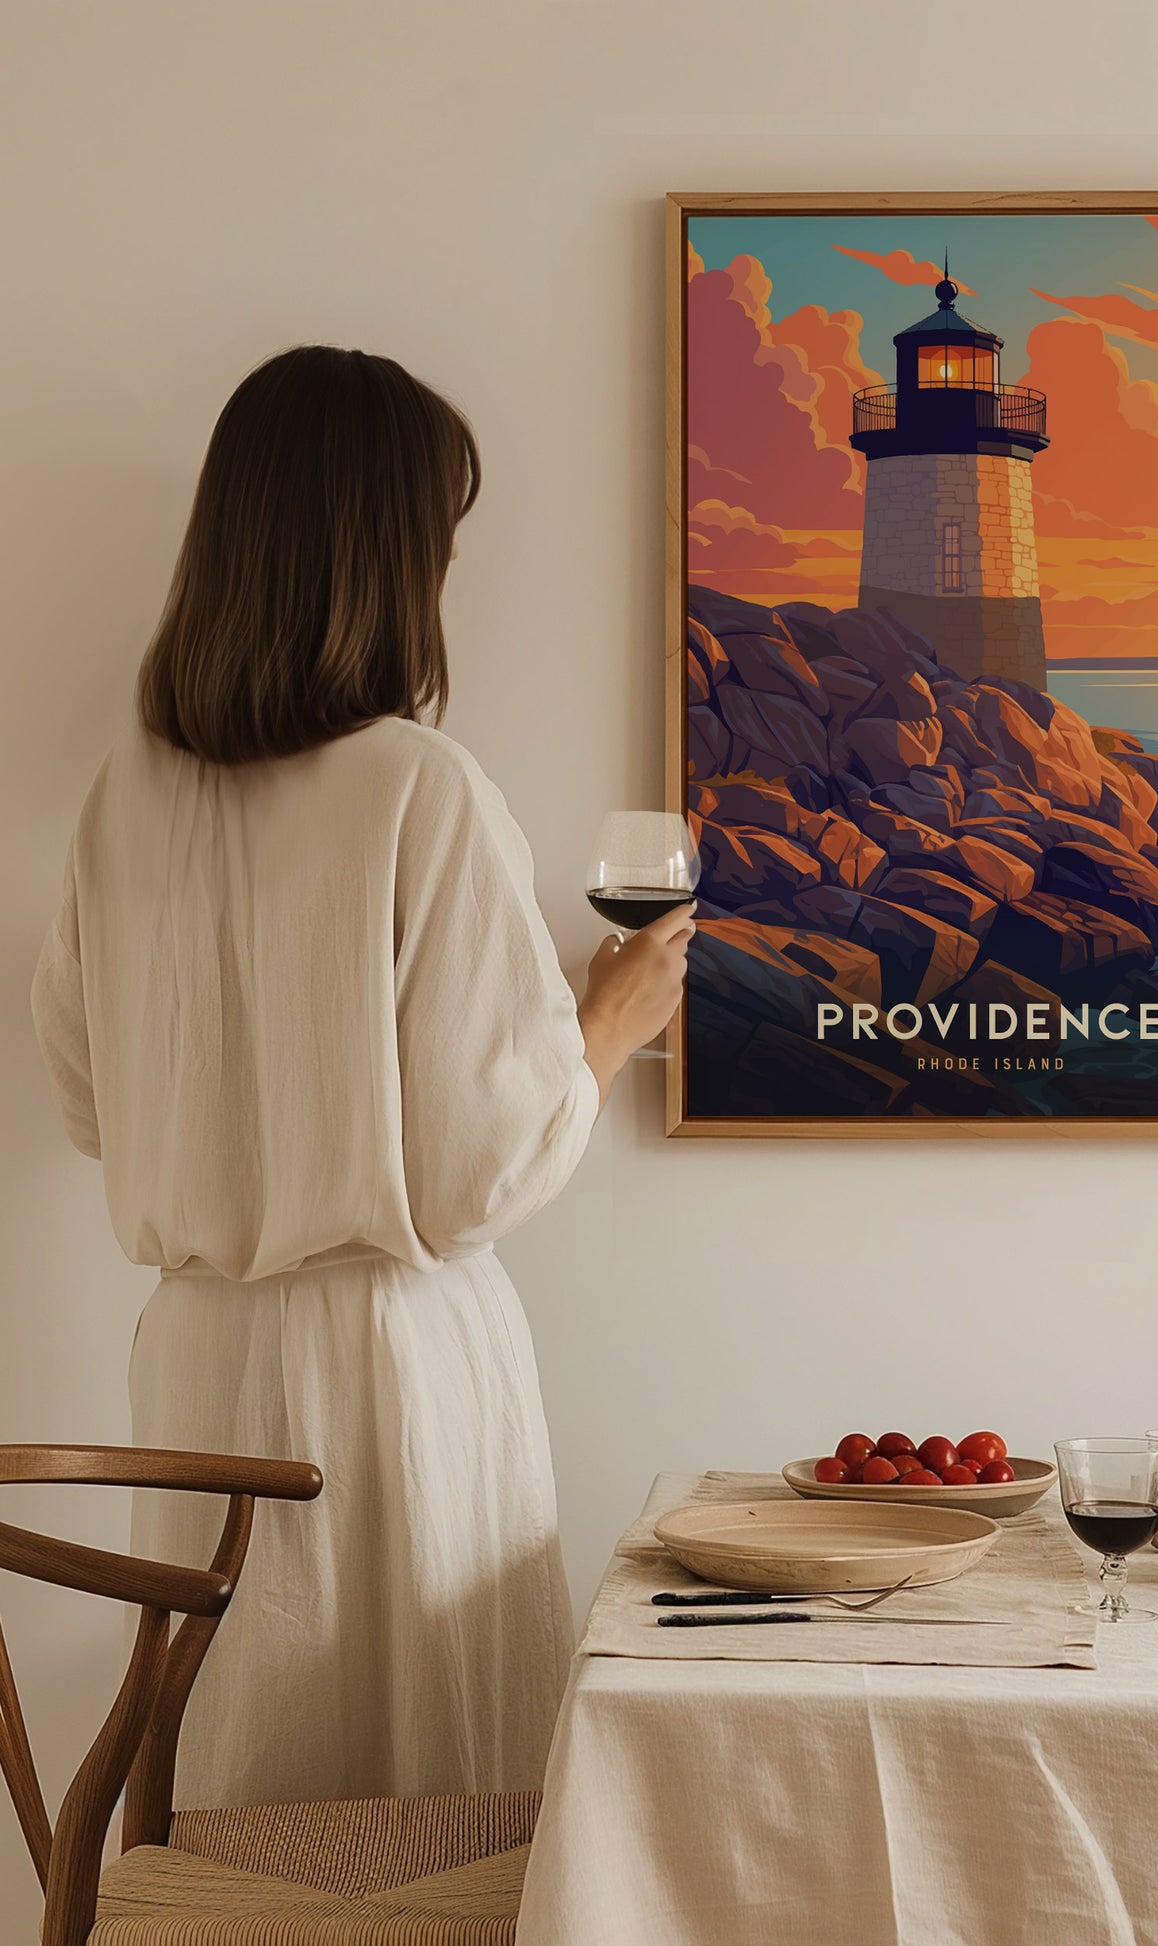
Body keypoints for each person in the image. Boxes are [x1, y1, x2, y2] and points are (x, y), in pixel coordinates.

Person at [29, 345, 690, 1806]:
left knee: (241, 1790)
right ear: (388, 556)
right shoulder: (417, 785)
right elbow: (474, 1173)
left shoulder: (122, 797)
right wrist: (606, 1020)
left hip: (197, 1361)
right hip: (390, 1372)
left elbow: (87, 1100)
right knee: (423, 1810)